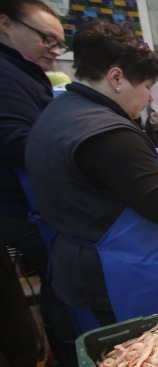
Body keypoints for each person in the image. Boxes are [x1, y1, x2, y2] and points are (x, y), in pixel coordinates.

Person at [25, 21, 158, 332]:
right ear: (116, 77)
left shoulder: (63, 110)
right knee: (135, 361)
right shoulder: (108, 132)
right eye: (147, 87)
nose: (150, 98)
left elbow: (108, 180)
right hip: (115, 275)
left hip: (80, 259)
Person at [0, 0, 65, 282]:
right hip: (21, 209)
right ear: (5, 24)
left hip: (34, 203)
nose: (55, 50)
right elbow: (15, 141)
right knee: (57, 280)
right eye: (47, 39)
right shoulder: (6, 74)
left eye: (59, 43)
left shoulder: (23, 71)